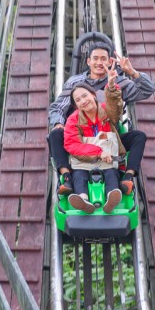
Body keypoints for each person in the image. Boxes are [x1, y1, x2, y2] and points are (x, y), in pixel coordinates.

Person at [48, 40, 153, 197]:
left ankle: (128, 178)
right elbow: (57, 107)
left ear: (110, 61)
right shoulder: (75, 82)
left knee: (139, 136)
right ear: (88, 61)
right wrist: (59, 123)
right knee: (55, 134)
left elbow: (148, 90)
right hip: (82, 135)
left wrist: (132, 72)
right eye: (95, 58)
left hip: (110, 135)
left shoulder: (119, 81)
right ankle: (66, 177)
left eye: (103, 59)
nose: (99, 63)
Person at [63, 67, 124, 214]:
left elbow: (115, 108)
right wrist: (98, 152)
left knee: (111, 173)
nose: (83, 101)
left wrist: (110, 86)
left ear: (93, 94)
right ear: (75, 105)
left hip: (107, 161)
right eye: (78, 100)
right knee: (79, 175)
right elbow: (71, 144)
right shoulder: (73, 119)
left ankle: (111, 197)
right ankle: (83, 200)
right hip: (85, 161)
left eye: (85, 96)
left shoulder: (105, 111)